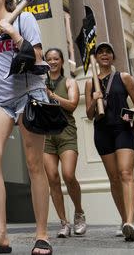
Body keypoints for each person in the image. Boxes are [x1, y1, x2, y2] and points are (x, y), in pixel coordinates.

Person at [0, 0, 52, 255]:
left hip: (29, 95)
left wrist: (15, 35)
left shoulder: (25, 20)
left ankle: (41, 234)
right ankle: (0, 233)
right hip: (0, 100)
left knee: (34, 165)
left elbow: (39, 60)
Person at [84, 42, 134, 241]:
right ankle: (123, 219)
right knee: (114, 178)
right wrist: (94, 99)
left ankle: (130, 222)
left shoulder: (124, 77)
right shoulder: (91, 82)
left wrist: (131, 113)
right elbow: (89, 115)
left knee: (125, 173)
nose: (105, 55)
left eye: (108, 52)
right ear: (97, 58)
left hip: (123, 130)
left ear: (113, 56)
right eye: (101, 53)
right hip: (102, 132)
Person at [42, 48, 87, 238]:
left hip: (66, 132)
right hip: (46, 134)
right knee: (52, 178)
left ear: (61, 61)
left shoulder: (70, 82)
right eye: (49, 59)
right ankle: (63, 222)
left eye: (55, 59)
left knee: (68, 175)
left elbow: (72, 105)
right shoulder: (40, 82)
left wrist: (52, 96)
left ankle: (79, 213)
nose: (52, 62)